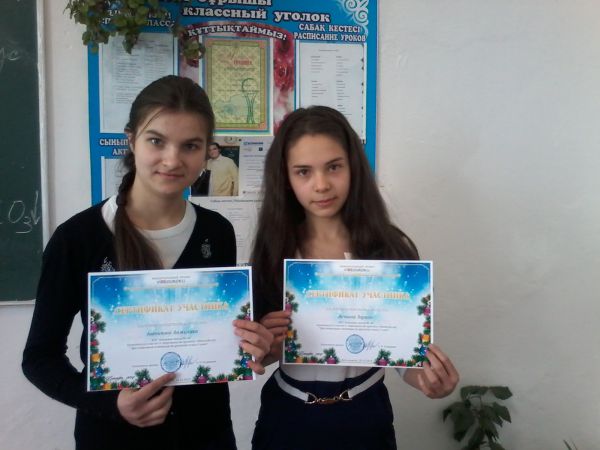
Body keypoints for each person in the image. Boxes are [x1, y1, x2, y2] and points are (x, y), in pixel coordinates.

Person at [22, 75, 272, 450]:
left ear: (208, 152)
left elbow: (219, 331)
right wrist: (111, 405)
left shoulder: (217, 231)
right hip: (112, 439)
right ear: (131, 140)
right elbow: (39, 358)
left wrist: (251, 343)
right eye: (156, 141)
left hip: (207, 435)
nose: (172, 159)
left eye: (190, 146)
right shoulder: (77, 238)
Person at [250, 106, 460, 450]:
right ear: (285, 178)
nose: (321, 184)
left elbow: (402, 352)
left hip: (365, 416)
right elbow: (258, 354)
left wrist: (429, 378)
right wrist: (265, 346)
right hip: (287, 418)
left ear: (353, 167)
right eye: (303, 172)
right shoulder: (273, 253)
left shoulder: (390, 249)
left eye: (334, 167)